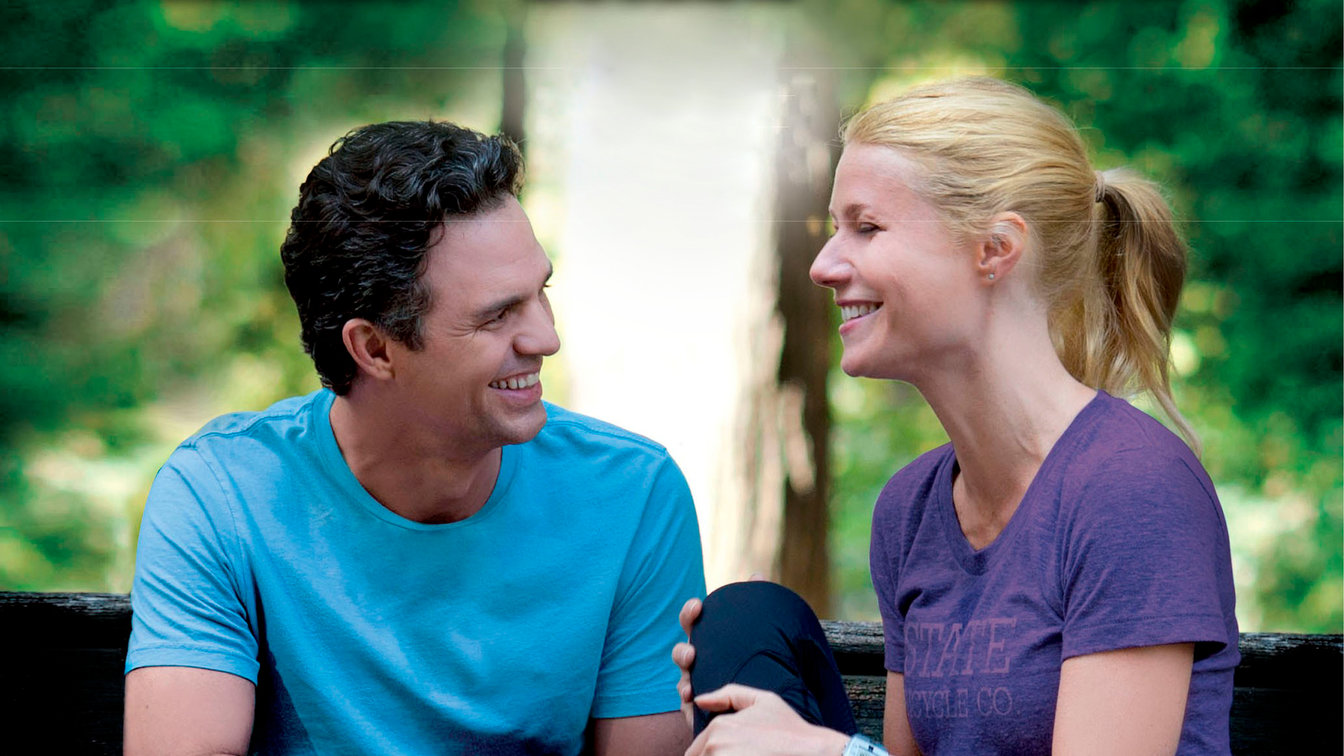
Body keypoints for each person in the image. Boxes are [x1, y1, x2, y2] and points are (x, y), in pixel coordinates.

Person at [674, 76, 1238, 755]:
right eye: (834, 229)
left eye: (866, 227)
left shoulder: (1133, 488)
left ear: (994, 249)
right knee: (742, 623)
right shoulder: (911, 508)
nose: (823, 266)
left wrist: (830, 754)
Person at [124, 120, 705, 756]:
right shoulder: (220, 496)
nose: (546, 338)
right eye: (496, 316)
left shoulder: (632, 495)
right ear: (374, 348)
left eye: (541, 293)